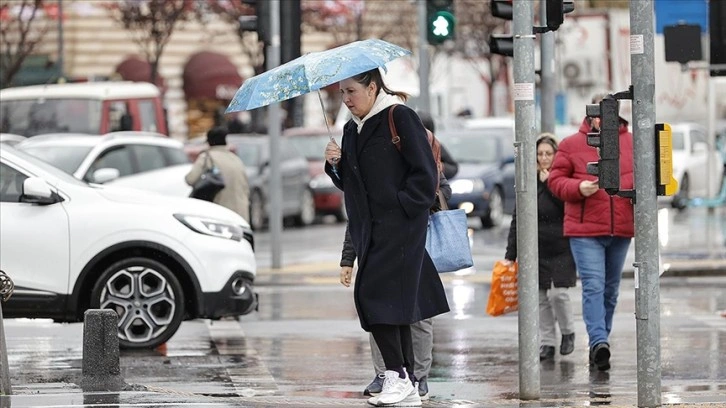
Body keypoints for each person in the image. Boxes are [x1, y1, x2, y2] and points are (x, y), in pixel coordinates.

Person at [324, 68, 450, 407]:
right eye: (342, 93)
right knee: (394, 306)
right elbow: (353, 184)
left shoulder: (399, 117)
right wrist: (336, 165)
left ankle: (396, 374)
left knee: (373, 297)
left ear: (373, 87)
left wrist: (403, 207)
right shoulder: (352, 129)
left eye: (351, 91)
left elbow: (425, 175)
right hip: (370, 230)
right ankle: (404, 378)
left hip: (400, 228)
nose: (346, 100)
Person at [342, 167, 452, 401]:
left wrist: (414, 198)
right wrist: (347, 258)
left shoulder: (419, 146)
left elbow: (443, 189)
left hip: (416, 246)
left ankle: (418, 377)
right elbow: (358, 216)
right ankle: (385, 374)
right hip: (380, 252)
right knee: (379, 314)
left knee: (419, 317)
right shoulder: (370, 154)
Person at [547, 94, 635, 371]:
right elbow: (555, 180)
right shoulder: (572, 143)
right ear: (589, 114)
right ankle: (598, 341)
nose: (601, 119)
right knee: (594, 286)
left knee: (610, 291)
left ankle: (601, 343)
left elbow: (645, 176)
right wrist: (577, 189)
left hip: (620, 228)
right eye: (597, 113)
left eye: (607, 114)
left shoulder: (633, 142)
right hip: (585, 230)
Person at [504, 133, 577, 362]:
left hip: (562, 246)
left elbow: (569, 209)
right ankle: (547, 343)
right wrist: (511, 254)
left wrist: (550, 184)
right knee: (541, 297)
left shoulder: (560, 179)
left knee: (559, 294)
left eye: (548, 154)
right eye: (540, 154)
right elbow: (518, 218)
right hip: (536, 249)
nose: (544, 158)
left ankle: (568, 332)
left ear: (556, 156)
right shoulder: (528, 181)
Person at [185, 126, 250, 222]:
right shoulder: (236, 160)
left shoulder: (206, 157)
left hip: (220, 214)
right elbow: (246, 188)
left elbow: (190, 179)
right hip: (241, 215)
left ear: (209, 142)